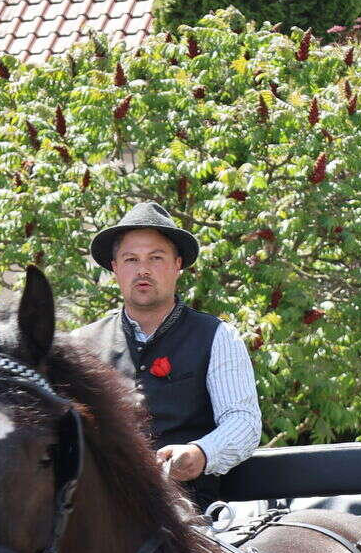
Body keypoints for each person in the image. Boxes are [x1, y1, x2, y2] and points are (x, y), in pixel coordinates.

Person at [69, 201, 261, 508]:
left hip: (189, 511)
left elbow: (243, 421)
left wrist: (201, 453)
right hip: (101, 512)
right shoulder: (80, 345)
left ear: (177, 265)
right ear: (115, 268)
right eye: (131, 259)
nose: (142, 269)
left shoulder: (218, 336)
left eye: (155, 258)